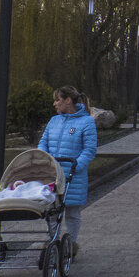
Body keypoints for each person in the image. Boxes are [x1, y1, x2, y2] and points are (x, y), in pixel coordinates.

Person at [38, 86, 97, 258]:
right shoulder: (54, 121)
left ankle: (70, 243)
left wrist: (76, 166)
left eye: (57, 100)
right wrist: (45, 159)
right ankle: (53, 240)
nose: (54, 103)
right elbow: (43, 142)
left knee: (72, 211)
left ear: (68, 101)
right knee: (51, 210)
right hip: (52, 174)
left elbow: (89, 150)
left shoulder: (86, 122)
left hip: (73, 175)